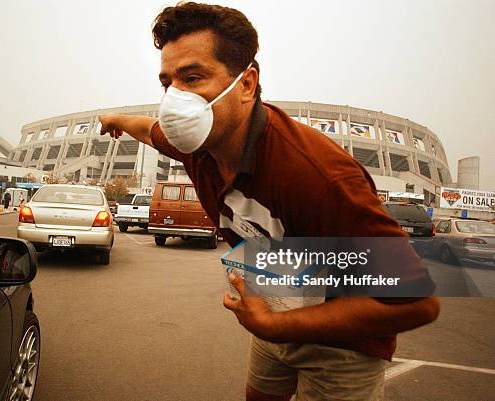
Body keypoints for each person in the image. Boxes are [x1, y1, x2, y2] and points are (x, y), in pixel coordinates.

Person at [98, 3, 440, 400]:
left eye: (193, 77)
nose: (176, 100)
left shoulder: (317, 176)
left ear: (246, 84)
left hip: (344, 343)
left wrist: (276, 327)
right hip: (274, 311)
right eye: (168, 83)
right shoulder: (194, 144)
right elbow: (150, 128)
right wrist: (117, 120)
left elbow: (417, 301)